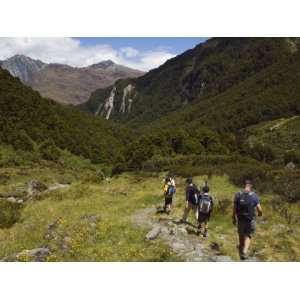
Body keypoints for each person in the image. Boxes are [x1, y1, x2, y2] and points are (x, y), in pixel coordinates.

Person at [232, 179, 263, 260]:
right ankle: (244, 252)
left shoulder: (238, 194)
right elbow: (259, 209)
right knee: (248, 235)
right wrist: (260, 214)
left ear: (244, 185)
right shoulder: (254, 195)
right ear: (251, 186)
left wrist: (233, 217)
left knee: (241, 234)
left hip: (240, 218)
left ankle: (241, 248)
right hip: (250, 219)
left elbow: (234, 208)